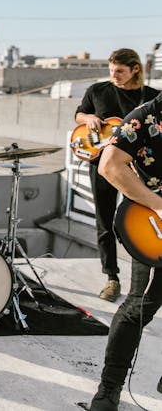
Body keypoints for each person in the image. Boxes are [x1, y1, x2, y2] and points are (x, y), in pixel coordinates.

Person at [88, 93, 162, 410]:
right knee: (140, 305)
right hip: (155, 227)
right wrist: (158, 204)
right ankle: (109, 390)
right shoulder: (143, 117)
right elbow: (110, 166)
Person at [75, 48, 158, 302]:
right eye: (111, 71)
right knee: (105, 221)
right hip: (102, 164)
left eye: (120, 71)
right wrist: (88, 117)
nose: (115, 76)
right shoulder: (97, 91)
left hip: (138, 172)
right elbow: (78, 114)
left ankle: (140, 280)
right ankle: (111, 277)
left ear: (135, 69)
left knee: (139, 220)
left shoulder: (152, 97)